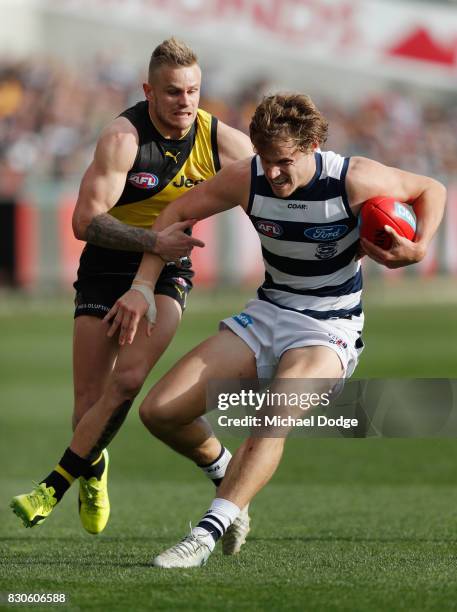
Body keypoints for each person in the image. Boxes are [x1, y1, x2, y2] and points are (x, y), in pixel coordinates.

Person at [101, 93, 446, 567]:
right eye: (266, 160)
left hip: (328, 327)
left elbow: (432, 188)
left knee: (273, 415)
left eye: (285, 161)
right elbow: (176, 212)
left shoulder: (355, 178)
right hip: (266, 314)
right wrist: (143, 284)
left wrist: (419, 248)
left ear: (314, 146)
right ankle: (228, 477)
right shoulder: (249, 176)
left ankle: (203, 535)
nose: (275, 173)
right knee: (160, 411)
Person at [10, 37, 253, 555]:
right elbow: (83, 221)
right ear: (148, 90)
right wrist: (152, 239)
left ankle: (53, 487)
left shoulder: (220, 139)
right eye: (172, 92)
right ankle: (93, 470)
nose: (185, 101)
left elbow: (275, 187)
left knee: (130, 379)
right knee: (87, 406)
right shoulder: (123, 137)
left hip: (168, 270)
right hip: (106, 264)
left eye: (193, 91)